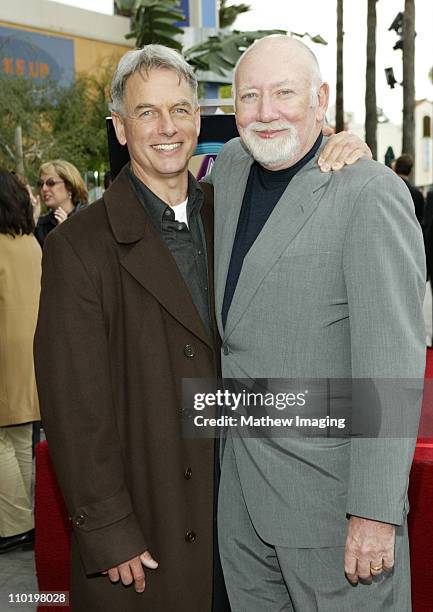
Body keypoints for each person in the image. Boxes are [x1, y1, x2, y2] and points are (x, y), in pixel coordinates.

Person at [34, 44, 371, 611]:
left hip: (238, 518)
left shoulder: (231, 211)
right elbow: (73, 408)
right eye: (146, 113)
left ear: (200, 119)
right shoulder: (79, 246)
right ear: (119, 128)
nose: (167, 128)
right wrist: (109, 528)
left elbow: (283, 146)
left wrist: (335, 141)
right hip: (146, 521)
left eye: (181, 109)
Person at [208, 35, 425, 611]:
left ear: (320, 99)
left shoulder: (369, 193)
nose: (266, 110)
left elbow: (392, 364)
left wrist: (375, 512)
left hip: (333, 509)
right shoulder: (228, 169)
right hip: (240, 499)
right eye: (250, 96)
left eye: (285, 93)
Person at [0, 169, 41, 554]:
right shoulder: (29, 242)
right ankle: (25, 519)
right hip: (28, 352)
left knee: (3, 443)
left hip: (4, 353)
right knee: (18, 440)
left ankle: (14, 526)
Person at [34, 159, 88, 247]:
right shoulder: (40, 225)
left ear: (69, 186)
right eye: (41, 184)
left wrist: (66, 232)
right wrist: (33, 221)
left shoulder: (87, 218)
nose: (44, 189)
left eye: (50, 183)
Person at [392, 154, 425, 226]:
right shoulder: (417, 194)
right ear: (410, 171)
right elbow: (420, 219)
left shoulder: (389, 189)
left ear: (394, 168)